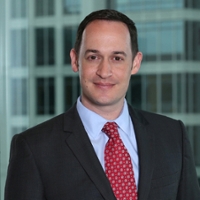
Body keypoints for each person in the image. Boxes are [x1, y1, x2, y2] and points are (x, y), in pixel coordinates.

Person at [4, 9, 200, 200]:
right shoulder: (34, 148)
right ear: (75, 61)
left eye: (117, 58)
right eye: (93, 57)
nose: (104, 71)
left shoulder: (173, 135)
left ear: (135, 63)